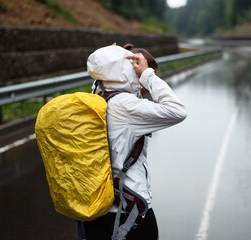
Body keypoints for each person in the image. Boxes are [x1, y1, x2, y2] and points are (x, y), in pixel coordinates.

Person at [78, 44, 187, 240]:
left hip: (95, 208)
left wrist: (112, 56)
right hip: (127, 213)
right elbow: (177, 111)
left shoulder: (98, 97)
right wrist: (148, 74)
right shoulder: (126, 105)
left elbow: (102, 77)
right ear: (131, 72)